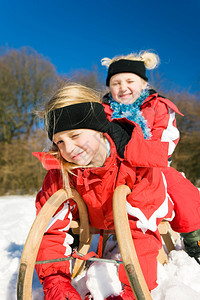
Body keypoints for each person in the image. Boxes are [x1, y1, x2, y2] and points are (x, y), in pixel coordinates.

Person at [33, 83, 174, 300]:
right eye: (59, 141)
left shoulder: (137, 164)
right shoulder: (60, 171)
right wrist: (56, 283)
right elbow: (50, 230)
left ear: (98, 126)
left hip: (132, 221)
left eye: (75, 135)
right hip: (92, 217)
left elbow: (142, 235)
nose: (68, 149)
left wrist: (131, 292)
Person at [101, 50, 200, 264]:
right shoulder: (102, 112)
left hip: (154, 168)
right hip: (112, 170)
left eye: (130, 80)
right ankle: (72, 235)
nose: (123, 87)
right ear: (109, 87)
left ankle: (194, 239)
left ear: (143, 84)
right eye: (116, 82)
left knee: (183, 190)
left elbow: (163, 146)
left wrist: (133, 151)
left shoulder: (159, 107)